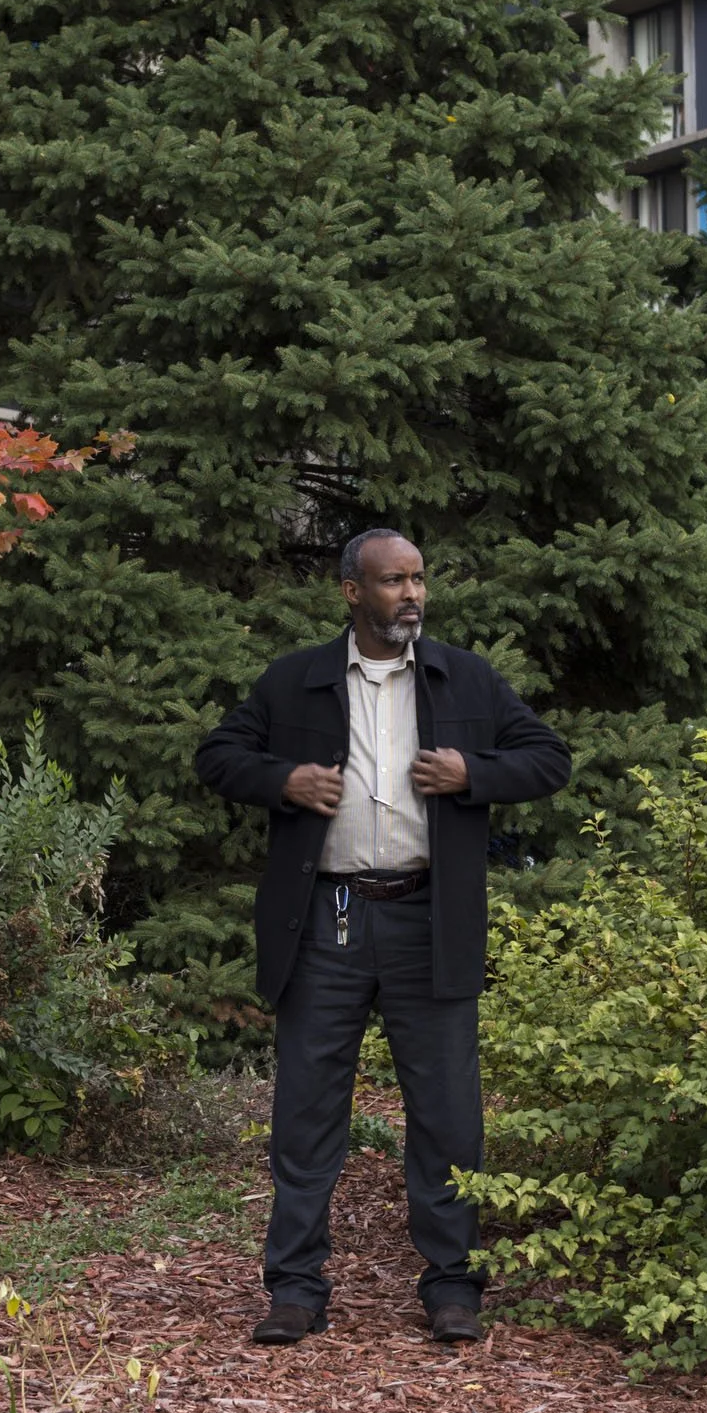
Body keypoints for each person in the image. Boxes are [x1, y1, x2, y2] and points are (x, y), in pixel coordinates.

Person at [194, 528, 572, 1347]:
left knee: (446, 1114)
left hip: (427, 919)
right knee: (305, 1113)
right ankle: (295, 1289)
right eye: (394, 581)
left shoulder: (462, 676)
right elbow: (218, 754)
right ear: (351, 592)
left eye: (419, 580)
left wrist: (475, 775)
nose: (412, 595)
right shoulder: (294, 680)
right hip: (324, 921)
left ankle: (452, 1288)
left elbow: (548, 757)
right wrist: (283, 780)